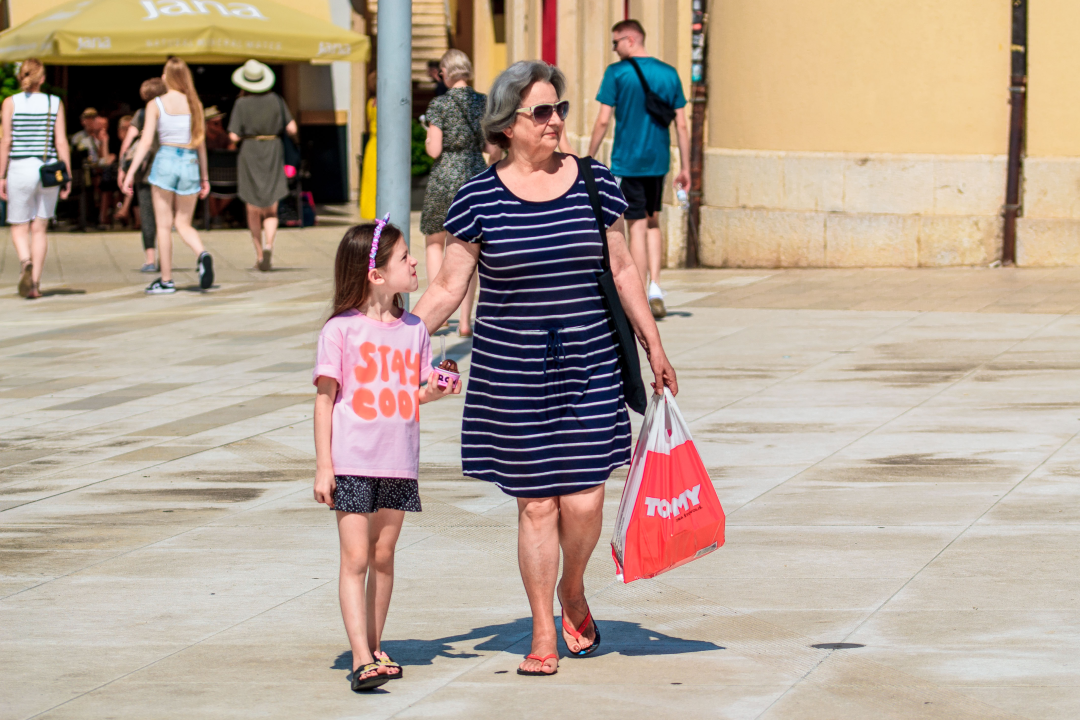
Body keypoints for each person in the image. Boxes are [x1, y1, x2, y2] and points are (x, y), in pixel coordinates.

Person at [412, 61, 678, 677]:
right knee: (536, 505)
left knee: (585, 501)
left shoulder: (595, 182)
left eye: (558, 109)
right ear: (508, 125)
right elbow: (449, 286)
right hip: (514, 375)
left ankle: (573, 589)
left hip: (589, 365)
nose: (556, 120)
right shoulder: (477, 198)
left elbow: (623, 271)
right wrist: (391, 338)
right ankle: (541, 628)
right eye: (542, 112)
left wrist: (653, 346)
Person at [312, 219, 460, 692]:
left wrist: (437, 388)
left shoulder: (415, 330)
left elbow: (409, 393)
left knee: (383, 555)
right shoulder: (340, 331)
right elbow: (324, 400)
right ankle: (360, 657)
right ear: (375, 274)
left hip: (398, 461)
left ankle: (375, 646)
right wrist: (324, 466)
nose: (415, 262)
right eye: (404, 257)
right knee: (355, 558)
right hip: (352, 460)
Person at [588, 19, 691, 320]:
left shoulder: (617, 73)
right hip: (658, 162)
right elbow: (682, 124)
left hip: (628, 162)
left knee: (635, 228)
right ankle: (656, 287)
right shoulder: (669, 74)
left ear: (630, 40)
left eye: (616, 42)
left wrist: (588, 157)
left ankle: (640, 300)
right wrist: (685, 167)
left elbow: (603, 120)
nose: (614, 48)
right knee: (653, 222)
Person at [421, 49, 500, 338]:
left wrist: (427, 133)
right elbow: (494, 150)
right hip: (475, 173)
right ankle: (466, 321)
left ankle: (440, 317)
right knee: (472, 246)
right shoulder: (485, 103)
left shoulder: (439, 104)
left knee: (434, 241)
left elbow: (434, 150)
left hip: (444, 175)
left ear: (445, 73)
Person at [121, 57, 214, 295]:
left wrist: (130, 173)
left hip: (165, 159)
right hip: (190, 161)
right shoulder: (195, 104)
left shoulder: (156, 104)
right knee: (183, 223)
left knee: (163, 226)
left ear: (167, 77)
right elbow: (200, 144)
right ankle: (202, 254)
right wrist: (205, 177)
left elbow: (145, 143)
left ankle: (166, 279)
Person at [0, 58, 71, 299]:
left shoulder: (10, 103)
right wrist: (67, 174)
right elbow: (61, 141)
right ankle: (35, 285)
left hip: (20, 168)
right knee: (40, 229)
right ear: (42, 79)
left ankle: (25, 261)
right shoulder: (54, 102)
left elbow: (6, 141)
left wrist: (1, 175)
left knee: (19, 227)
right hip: (47, 169)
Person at [227, 60, 298, 271]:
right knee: (271, 208)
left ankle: (259, 255)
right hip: (273, 151)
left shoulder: (241, 104)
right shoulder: (276, 100)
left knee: (252, 208)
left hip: (250, 152)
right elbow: (292, 128)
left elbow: (233, 135)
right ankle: (269, 245)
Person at [118, 77, 167, 272]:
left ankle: (150, 259)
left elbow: (128, 142)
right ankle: (166, 257)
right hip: (167, 170)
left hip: (145, 171)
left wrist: (123, 168)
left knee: (147, 214)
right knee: (164, 217)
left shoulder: (141, 114)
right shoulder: (170, 112)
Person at [359, 72, 377, 220]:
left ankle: (371, 214)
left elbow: (369, 124)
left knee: (370, 181)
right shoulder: (386, 103)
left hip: (372, 144)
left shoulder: (370, 102)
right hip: (383, 144)